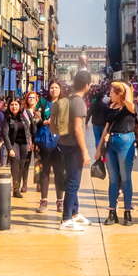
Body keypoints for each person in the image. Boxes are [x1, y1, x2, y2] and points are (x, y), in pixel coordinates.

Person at [96, 81, 138, 226]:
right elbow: (106, 128)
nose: (110, 95)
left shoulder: (129, 107)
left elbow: (128, 100)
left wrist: (124, 86)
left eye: (112, 93)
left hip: (126, 140)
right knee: (113, 179)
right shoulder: (111, 107)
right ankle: (112, 212)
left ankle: (127, 212)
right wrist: (99, 148)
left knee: (126, 179)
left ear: (119, 94)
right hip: (111, 141)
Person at [56, 70, 93, 232]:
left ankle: (74, 213)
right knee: (73, 182)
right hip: (74, 146)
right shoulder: (79, 102)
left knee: (71, 179)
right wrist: (85, 151)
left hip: (64, 143)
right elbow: (78, 129)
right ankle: (66, 219)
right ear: (87, 85)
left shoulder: (68, 99)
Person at [36, 81, 66, 214]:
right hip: (45, 141)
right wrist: (46, 122)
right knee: (45, 171)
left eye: (56, 87)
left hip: (61, 142)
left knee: (59, 171)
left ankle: (60, 201)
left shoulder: (65, 103)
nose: (54, 90)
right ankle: (44, 200)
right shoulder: (42, 102)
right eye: (52, 87)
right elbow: (35, 120)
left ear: (60, 89)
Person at [1, 98, 34, 201]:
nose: (14, 107)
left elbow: (32, 128)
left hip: (24, 143)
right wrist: (9, 148)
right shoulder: (7, 118)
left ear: (20, 106)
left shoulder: (25, 115)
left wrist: (32, 142)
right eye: (12, 105)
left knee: (22, 165)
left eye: (16, 104)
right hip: (13, 143)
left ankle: (17, 187)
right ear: (9, 106)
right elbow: (5, 134)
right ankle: (16, 185)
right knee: (15, 162)